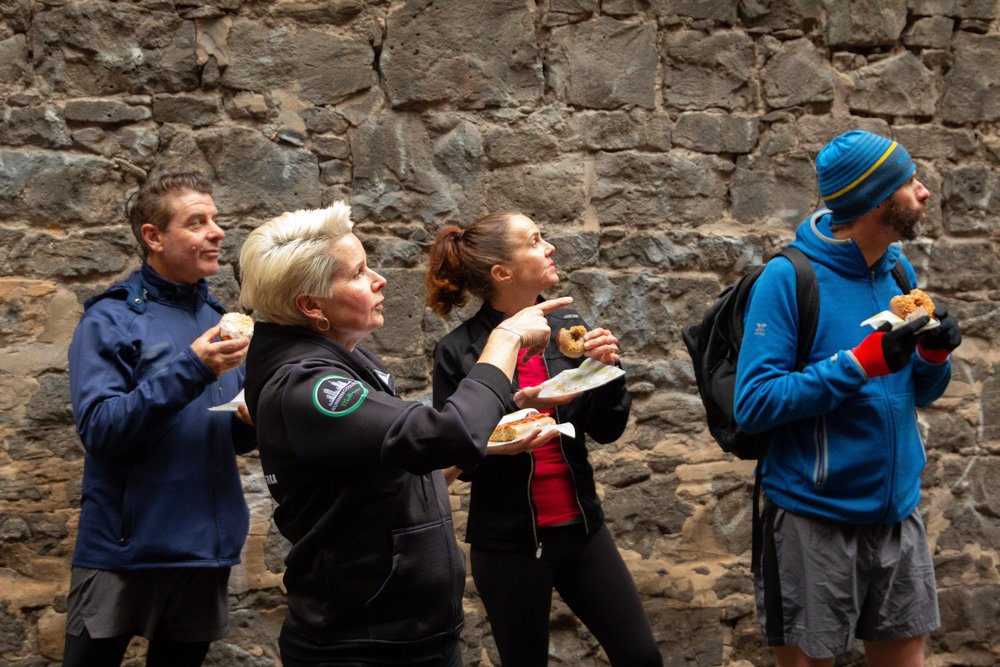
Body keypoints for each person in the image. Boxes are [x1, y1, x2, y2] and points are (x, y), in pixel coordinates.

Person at [237, 202, 567, 667]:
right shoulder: (309, 387)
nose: (379, 279)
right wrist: (505, 339)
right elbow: (446, 434)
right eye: (357, 273)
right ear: (311, 306)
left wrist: (491, 437)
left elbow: (395, 475)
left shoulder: (347, 360)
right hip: (365, 645)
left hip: (409, 636)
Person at [734, 130, 962, 667]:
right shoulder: (788, 278)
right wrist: (859, 363)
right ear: (877, 201)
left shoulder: (898, 270)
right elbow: (755, 402)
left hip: (897, 517)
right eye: (909, 182)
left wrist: (934, 356)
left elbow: (913, 394)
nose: (924, 191)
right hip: (814, 520)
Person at [425, 212, 662, 667]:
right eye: (535, 241)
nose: (550, 247)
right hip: (509, 544)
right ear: (502, 272)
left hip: (581, 530)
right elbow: (458, 454)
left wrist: (608, 371)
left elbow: (608, 430)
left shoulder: (568, 329)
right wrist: (514, 416)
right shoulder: (460, 350)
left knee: (641, 656)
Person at [63, 172, 255, 667]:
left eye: (215, 219)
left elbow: (221, 436)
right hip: (124, 551)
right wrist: (192, 369)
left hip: (204, 551)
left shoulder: (218, 318)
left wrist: (250, 420)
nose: (217, 231)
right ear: (154, 237)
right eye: (197, 222)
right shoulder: (110, 319)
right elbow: (102, 430)